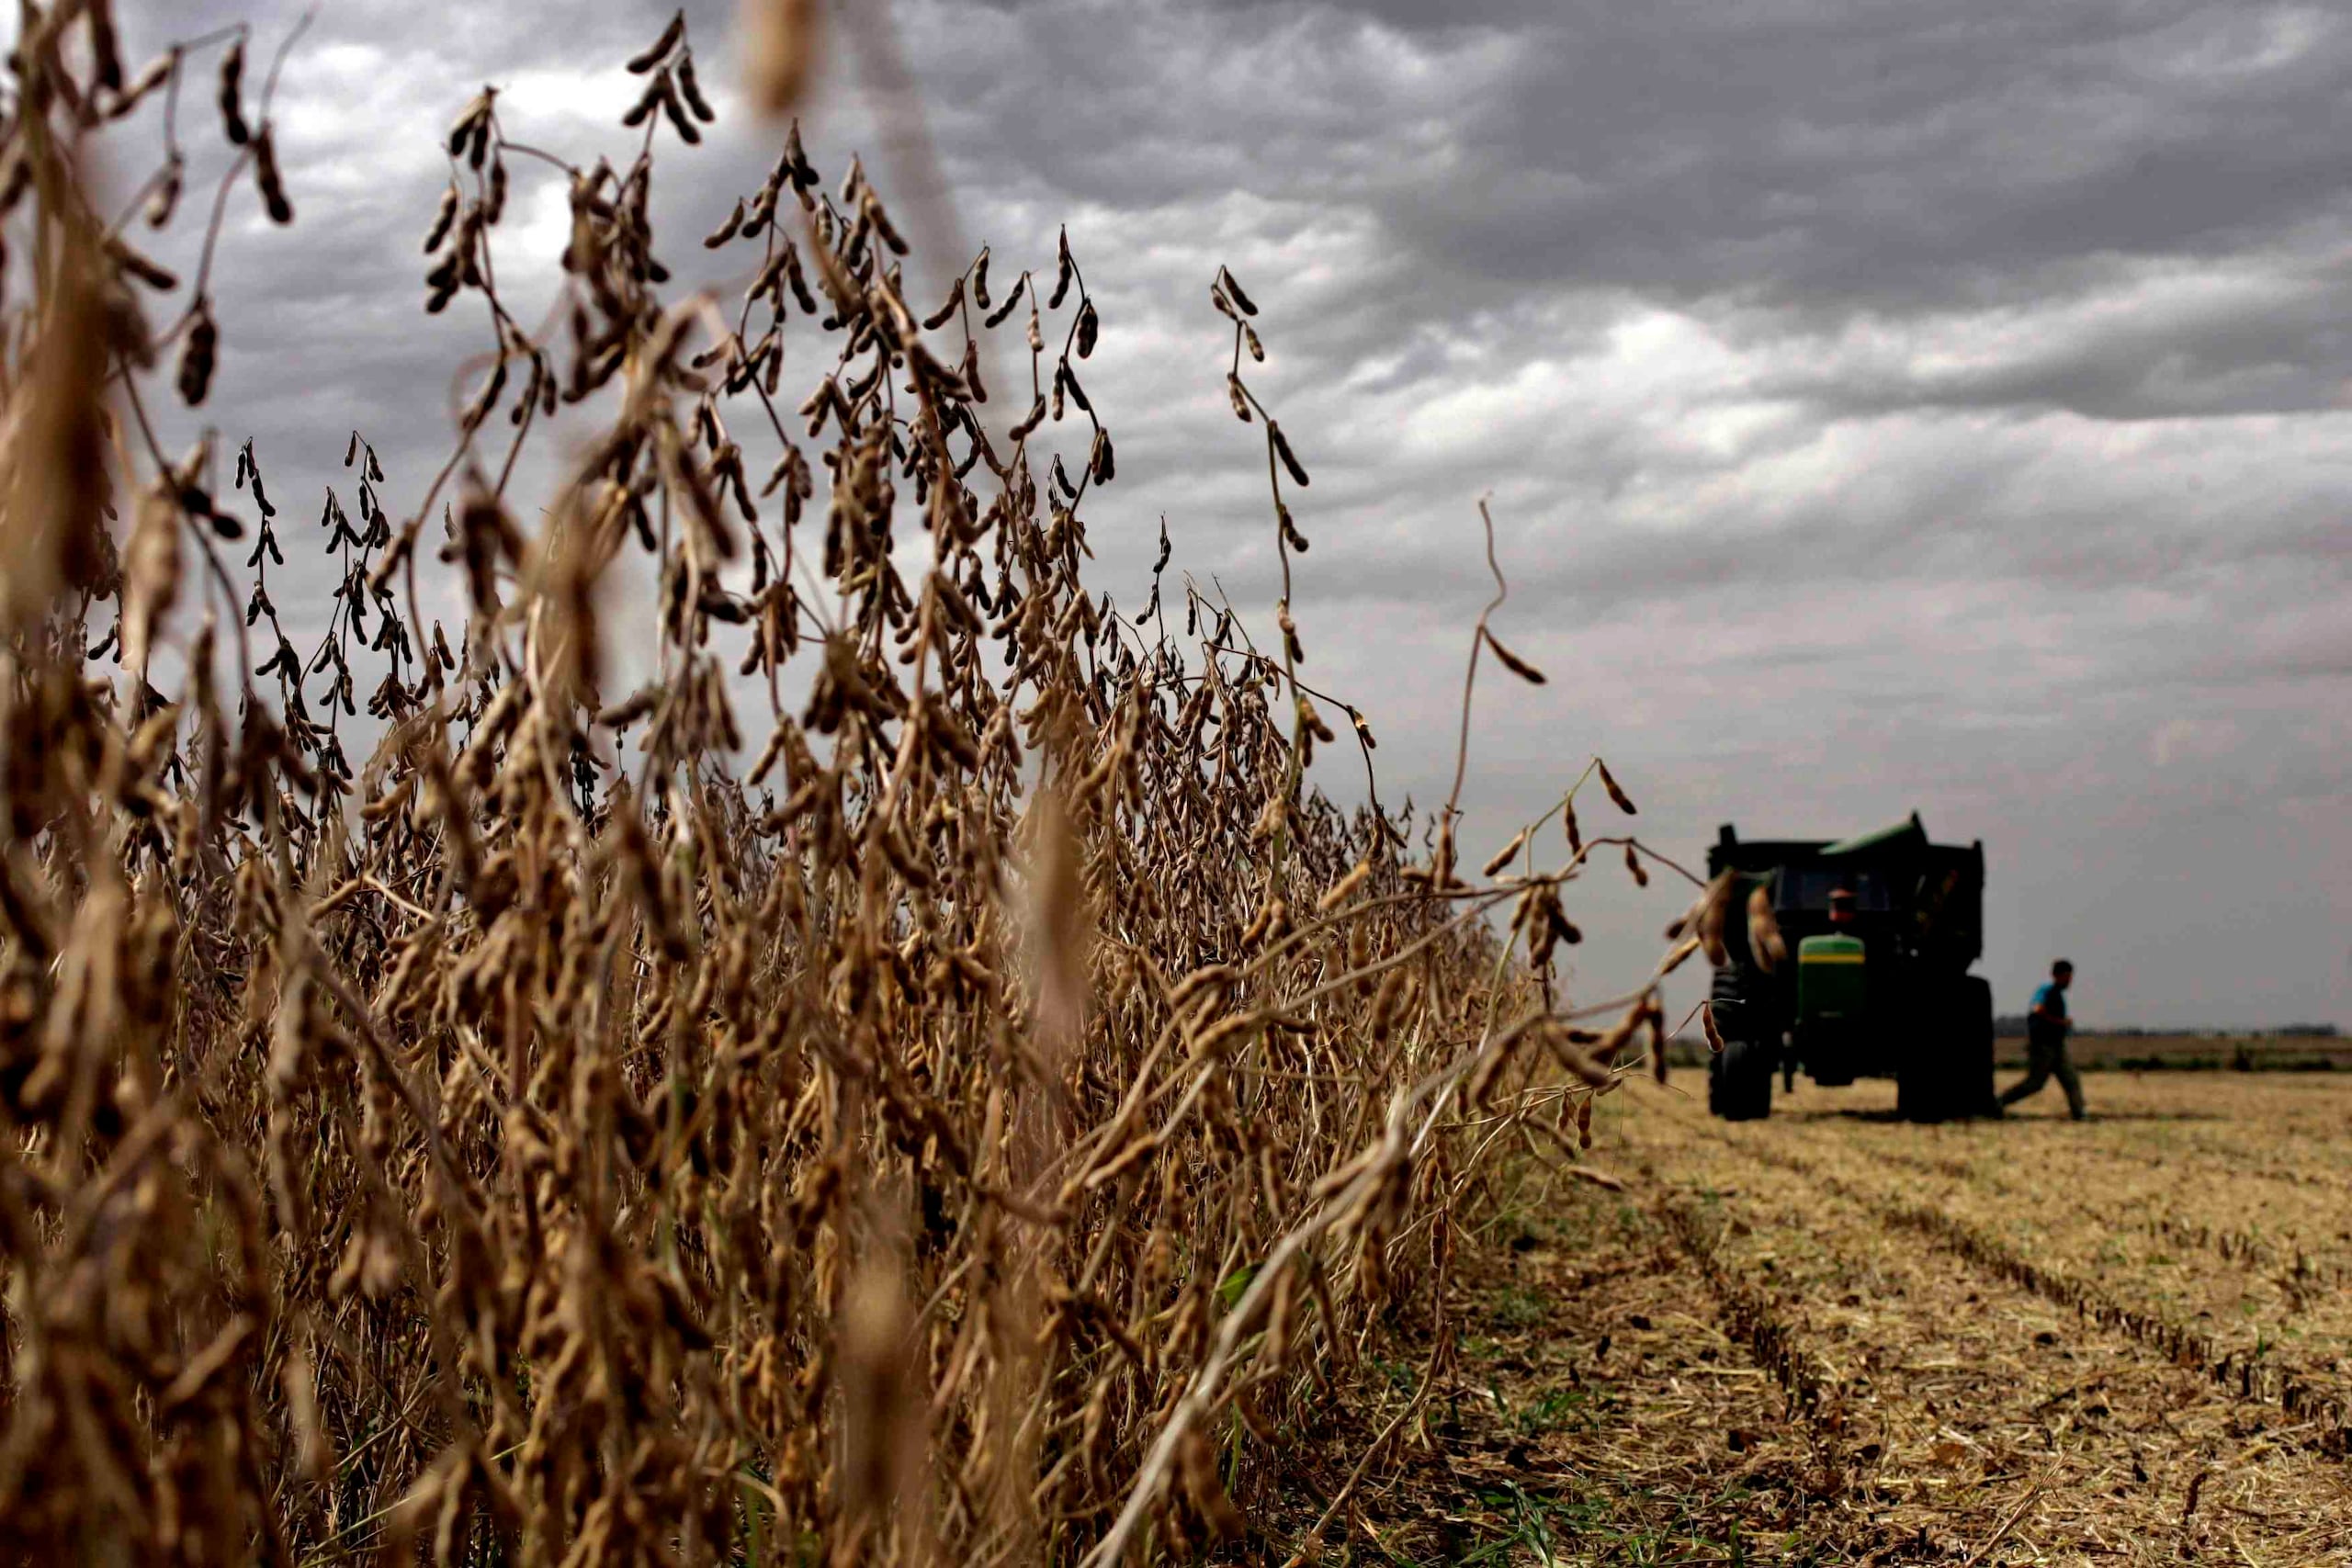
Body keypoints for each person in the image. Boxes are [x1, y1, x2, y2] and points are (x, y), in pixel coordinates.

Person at [1998, 960, 2083, 1120]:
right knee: (2034, 1084)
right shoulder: (2046, 991)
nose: (2069, 981)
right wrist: (2060, 1022)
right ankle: (1999, 1102)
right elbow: (2037, 1009)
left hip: (2057, 1045)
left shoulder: (2057, 995)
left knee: (2071, 1079)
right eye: (2066, 977)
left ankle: (2078, 1113)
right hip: (2043, 1046)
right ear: (2057, 976)